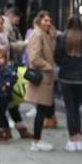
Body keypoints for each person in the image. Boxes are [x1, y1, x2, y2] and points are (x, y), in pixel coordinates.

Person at [24, 10, 59, 152]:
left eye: (49, 20)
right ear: (39, 21)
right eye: (45, 20)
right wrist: (48, 66)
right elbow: (34, 57)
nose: (48, 23)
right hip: (42, 77)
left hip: (46, 77)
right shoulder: (38, 34)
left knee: (42, 110)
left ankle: (37, 140)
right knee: (42, 110)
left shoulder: (47, 34)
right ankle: (36, 141)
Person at [56, 16, 82, 151]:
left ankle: (73, 139)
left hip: (66, 77)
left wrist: (65, 65)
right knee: (78, 107)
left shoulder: (62, 38)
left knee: (71, 108)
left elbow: (57, 56)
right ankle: (79, 140)